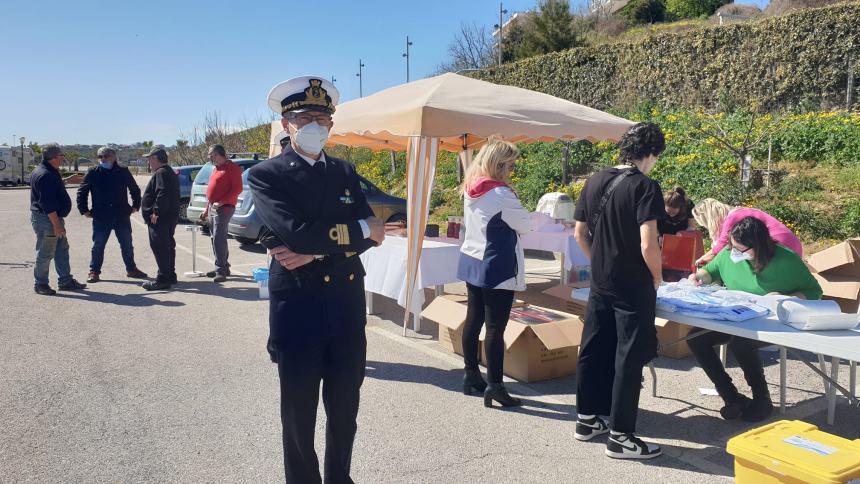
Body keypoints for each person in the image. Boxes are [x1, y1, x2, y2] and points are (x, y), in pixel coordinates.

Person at [247, 76, 385, 484]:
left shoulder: (344, 171)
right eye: (306, 117)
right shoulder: (267, 175)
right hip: (299, 309)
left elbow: (371, 234)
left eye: (324, 118)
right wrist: (350, 233)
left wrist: (317, 246)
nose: (316, 125)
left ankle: (340, 478)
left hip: (345, 307)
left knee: (345, 408)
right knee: (298, 414)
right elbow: (302, 232)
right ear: (286, 124)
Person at [572, 122, 666, 460]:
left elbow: (579, 234)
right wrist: (656, 276)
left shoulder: (595, 180)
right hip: (632, 285)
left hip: (600, 282)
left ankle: (586, 419)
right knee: (629, 357)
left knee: (593, 348)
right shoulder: (645, 186)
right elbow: (648, 243)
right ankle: (621, 435)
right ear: (652, 153)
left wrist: (598, 262)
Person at [687, 216, 822, 422]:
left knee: (740, 343)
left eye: (740, 249)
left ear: (759, 246)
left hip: (772, 322)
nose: (734, 253)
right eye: (732, 247)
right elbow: (710, 271)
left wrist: (785, 298)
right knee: (695, 337)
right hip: (738, 316)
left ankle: (762, 399)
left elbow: (814, 292)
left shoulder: (787, 260)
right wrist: (699, 277)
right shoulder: (729, 253)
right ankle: (731, 397)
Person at [457, 139, 532, 408]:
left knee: (473, 320)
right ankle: (496, 387)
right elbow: (525, 224)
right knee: (495, 329)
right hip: (496, 264)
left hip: (473, 258)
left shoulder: (471, 187)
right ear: (499, 164)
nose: (512, 170)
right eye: (510, 164)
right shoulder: (501, 194)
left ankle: (471, 375)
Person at [76, 146, 148, 283]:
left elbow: (134, 189)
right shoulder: (93, 172)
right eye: (100, 157)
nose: (103, 159)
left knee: (127, 244)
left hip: (121, 215)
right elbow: (82, 192)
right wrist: (84, 210)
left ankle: (131, 269)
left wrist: (135, 206)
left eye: (106, 156)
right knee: (98, 245)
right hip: (101, 216)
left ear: (114, 157)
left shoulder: (123, 171)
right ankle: (94, 271)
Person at [29, 144, 87, 295]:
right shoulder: (45, 175)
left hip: (52, 219)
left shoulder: (49, 171)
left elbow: (53, 188)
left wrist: (66, 180)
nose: (63, 158)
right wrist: (56, 224)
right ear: (54, 158)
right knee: (46, 252)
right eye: (62, 156)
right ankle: (40, 284)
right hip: (48, 220)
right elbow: (47, 204)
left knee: (61, 249)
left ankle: (65, 281)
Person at [692, 198, 803, 266]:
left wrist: (701, 260)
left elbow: (720, 248)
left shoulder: (732, 217)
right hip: (792, 245)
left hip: (780, 246)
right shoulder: (740, 211)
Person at [200, 144, 243, 282]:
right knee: (215, 238)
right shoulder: (215, 169)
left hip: (225, 208)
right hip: (214, 207)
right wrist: (207, 209)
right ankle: (223, 265)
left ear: (219, 154)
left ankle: (221, 270)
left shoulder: (232, 168)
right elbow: (212, 193)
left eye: (211, 155)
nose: (209, 158)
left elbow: (238, 189)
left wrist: (223, 201)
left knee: (219, 238)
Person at [140, 145, 180, 291]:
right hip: (168, 217)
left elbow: (162, 193)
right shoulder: (167, 172)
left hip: (161, 218)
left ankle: (163, 279)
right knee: (168, 246)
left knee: (161, 247)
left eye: (149, 159)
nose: (148, 162)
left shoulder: (162, 173)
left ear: (156, 158)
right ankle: (170, 275)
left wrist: (156, 212)